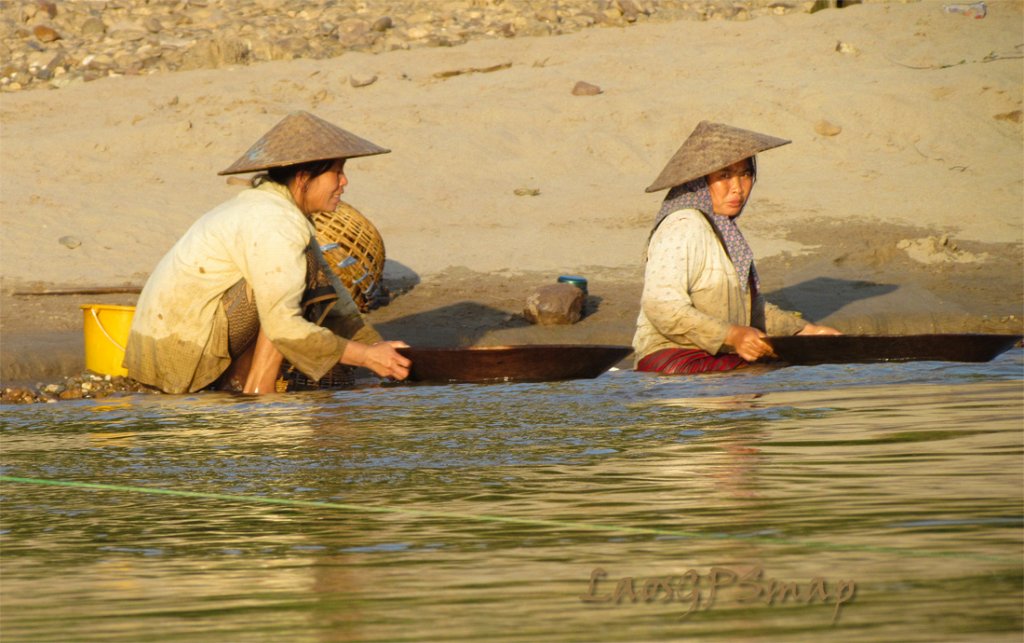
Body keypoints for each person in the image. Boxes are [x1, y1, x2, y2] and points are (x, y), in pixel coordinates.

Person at [124, 111, 411, 394]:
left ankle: (244, 386)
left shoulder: (279, 211)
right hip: (180, 356)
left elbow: (339, 307)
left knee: (298, 280)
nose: (344, 182)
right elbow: (282, 325)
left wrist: (377, 349)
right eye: (337, 172)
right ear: (303, 178)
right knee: (288, 297)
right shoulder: (275, 221)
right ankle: (259, 392)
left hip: (169, 349)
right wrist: (366, 357)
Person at [633, 121, 841, 374]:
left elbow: (753, 309)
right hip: (671, 357)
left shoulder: (723, 230)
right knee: (766, 371)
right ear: (698, 182)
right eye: (724, 176)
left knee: (788, 366)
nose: (737, 188)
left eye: (745, 174)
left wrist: (806, 331)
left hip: (716, 355)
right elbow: (661, 307)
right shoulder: (683, 226)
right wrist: (732, 335)